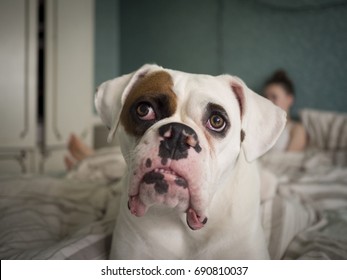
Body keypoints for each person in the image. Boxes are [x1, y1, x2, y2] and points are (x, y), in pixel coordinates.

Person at [263, 70, 307, 152]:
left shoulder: (296, 129)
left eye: (274, 97)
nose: (268, 102)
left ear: (289, 99)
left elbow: (289, 161)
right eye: (265, 97)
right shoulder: (260, 126)